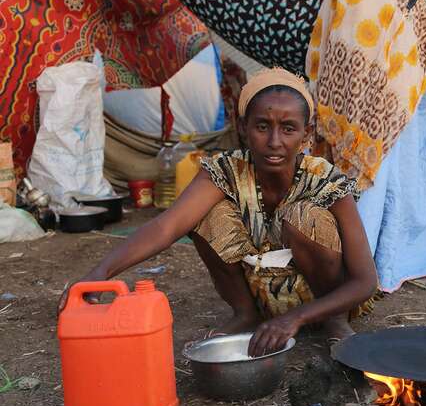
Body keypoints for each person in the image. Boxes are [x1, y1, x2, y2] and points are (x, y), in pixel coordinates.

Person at [59, 68, 378, 357]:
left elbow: (365, 281)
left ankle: (333, 322)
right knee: (207, 215)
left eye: (289, 129)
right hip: (264, 296)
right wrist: (99, 274)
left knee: (303, 218)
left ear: (306, 135)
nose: (274, 142)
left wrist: (295, 317)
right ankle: (246, 314)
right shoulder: (226, 171)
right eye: (262, 127)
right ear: (243, 128)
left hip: (326, 301)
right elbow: (166, 228)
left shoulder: (326, 180)